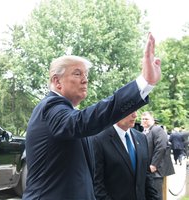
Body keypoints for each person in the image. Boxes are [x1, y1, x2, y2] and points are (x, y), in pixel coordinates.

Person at [22, 32, 161, 200]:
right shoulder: (50, 107)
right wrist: (143, 83)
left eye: (86, 75)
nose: (85, 80)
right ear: (57, 81)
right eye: (77, 73)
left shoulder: (67, 113)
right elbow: (85, 121)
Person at [92, 111, 159, 199]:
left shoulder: (141, 138)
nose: (135, 115)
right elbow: (97, 184)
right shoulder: (99, 140)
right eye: (130, 111)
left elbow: (146, 176)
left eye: (135, 111)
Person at [141, 111, 175, 200]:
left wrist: (154, 164)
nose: (144, 121)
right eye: (143, 119)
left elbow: (161, 147)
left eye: (146, 119)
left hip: (156, 170)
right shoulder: (143, 132)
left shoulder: (157, 130)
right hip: (147, 170)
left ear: (153, 120)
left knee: (156, 195)